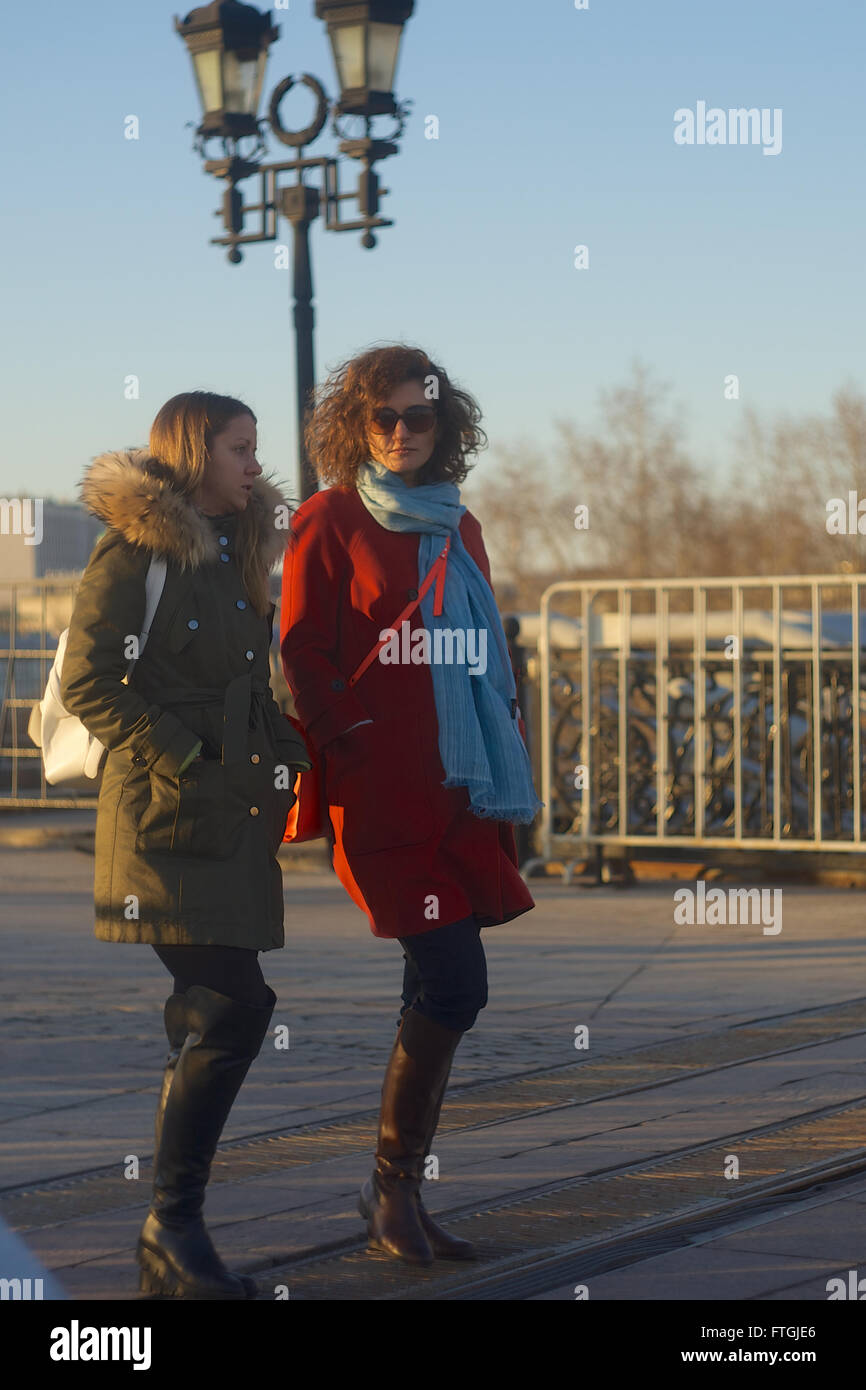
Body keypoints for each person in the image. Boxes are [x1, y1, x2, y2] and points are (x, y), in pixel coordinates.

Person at [280, 344, 542, 1265]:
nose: (400, 433)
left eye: (417, 417)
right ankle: (390, 1189)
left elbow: (482, 652)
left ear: (444, 425)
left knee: (428, 989)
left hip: (462, 789)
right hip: (384, 791)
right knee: (456, 983)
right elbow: (302, 648)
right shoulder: (328, 518)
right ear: (355, 426)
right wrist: (349, 737)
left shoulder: (458, 526)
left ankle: (398, 1196)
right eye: (382, 418)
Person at [60, 390, 311, 1299]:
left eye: (254, 448)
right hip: (162, 822)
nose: (254, 462)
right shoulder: (138, 551)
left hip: (230, 820)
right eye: (240, 448)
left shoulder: (241, 554)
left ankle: (171, 1237)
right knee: (232, 1004)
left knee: (214, 1009)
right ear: (195, 453)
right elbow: (92, 682)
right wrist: (189, 757)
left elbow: (252, 686)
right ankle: (172, 1226)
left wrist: (287, 754)